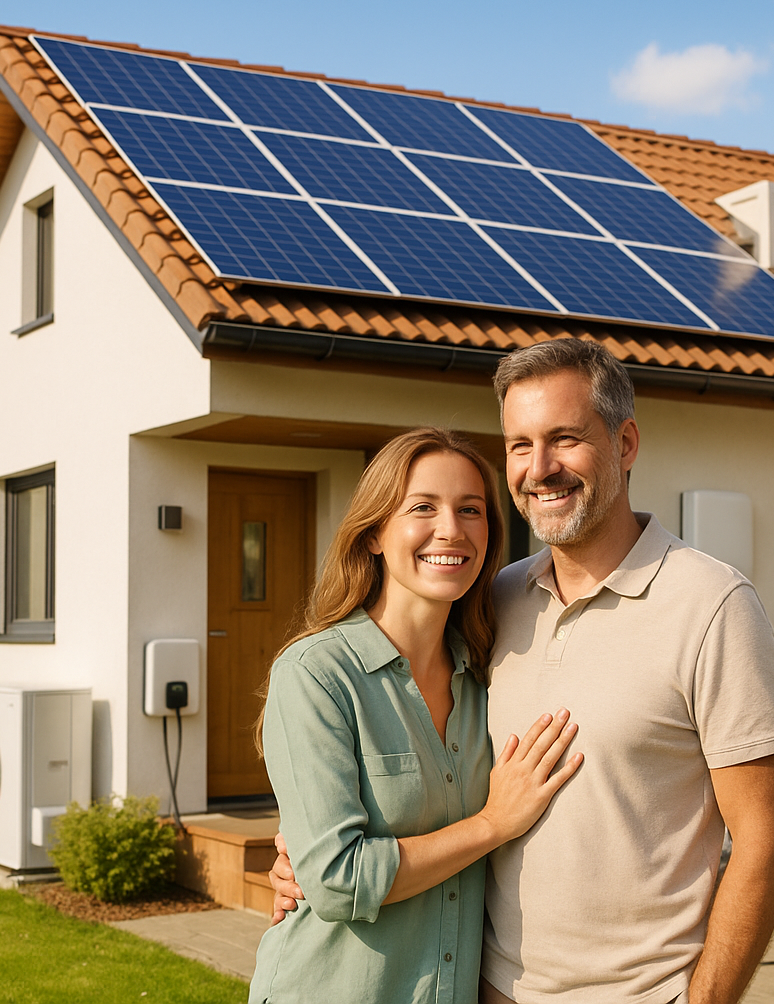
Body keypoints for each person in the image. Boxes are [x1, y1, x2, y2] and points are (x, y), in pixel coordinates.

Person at [270, 341, 774, 1004]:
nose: (539, 468)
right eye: (519, 445)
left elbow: (767, 839)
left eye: (565, 438)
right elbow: (404, 782)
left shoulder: (712, 605)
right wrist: (306, 848)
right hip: (482, 989)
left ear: (625, 442)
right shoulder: (492, 606)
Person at [248, 427, 583, 1004]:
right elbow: (334, 880)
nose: (450, 529)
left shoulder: (488, 678)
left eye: (470, 509)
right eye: (422, 507)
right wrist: (490, 824)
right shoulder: (316, 674)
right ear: (375, 533)